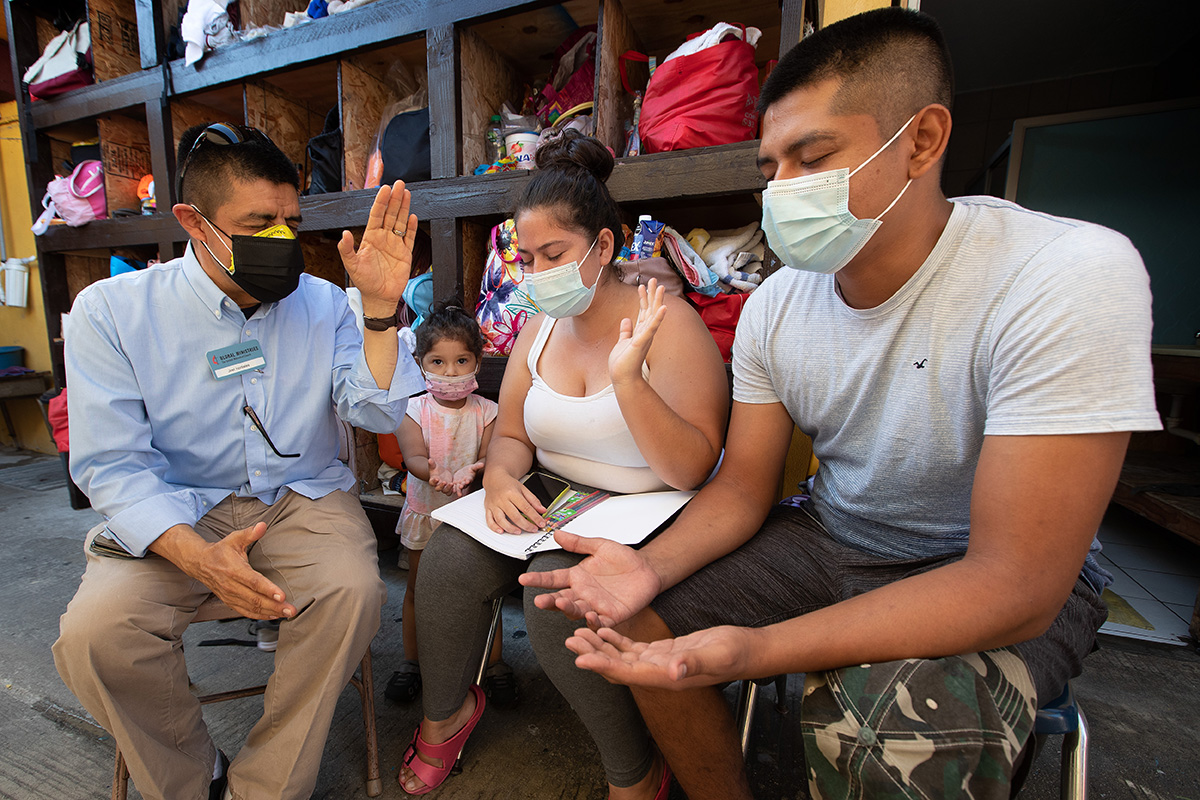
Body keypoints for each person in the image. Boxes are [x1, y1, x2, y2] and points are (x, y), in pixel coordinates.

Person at [521, 9, 1162, 799]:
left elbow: (1016, 581)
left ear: (922, 141)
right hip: (833, 536)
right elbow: (744, 487)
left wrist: (755, 651)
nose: (784, 191)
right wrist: (645, 572)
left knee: (894, 729)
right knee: (613, 612)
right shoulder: (777, 307)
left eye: (813, 158)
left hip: (978, 566)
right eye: (770, 168)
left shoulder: (1066, 276)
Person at [52, 122, 426, 800]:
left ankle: (265, 788)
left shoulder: (324, 305)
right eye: (259, 223)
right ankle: (195, 783)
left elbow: (376, 413)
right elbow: (111, 464)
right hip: (178, 508)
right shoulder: (111, 312)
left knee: (350, 591)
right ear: (195, 222)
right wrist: (198, 557)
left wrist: (378, 311)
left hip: (300, 499)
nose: (281, 240)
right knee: (96, 636)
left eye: (290, 221)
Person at [398, 129, 730, 797]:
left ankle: (634, 770)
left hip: (648, 505)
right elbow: (515, 433)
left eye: (555, 253)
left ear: (603, 246)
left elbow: (694, 467)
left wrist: (629, 381)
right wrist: (496, 476)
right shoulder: (537, 327)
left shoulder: (668, 325)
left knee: (555, 592)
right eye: (527, 257)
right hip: (557, 494)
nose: (537, 272)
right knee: (447, 561)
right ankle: (447, 717)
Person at [385, 302, 502, 704]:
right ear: (420, 363)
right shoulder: (413, 410)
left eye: (460, 360)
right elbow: (413, 456)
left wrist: (476, 470)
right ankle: (413, 663)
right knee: (418, 589)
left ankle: (496, 664)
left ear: (477, 361)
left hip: (471, 517)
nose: (450, 372)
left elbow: (491, 456)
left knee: (487, 590)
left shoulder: (488, 412)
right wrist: (429, 472)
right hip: (427, 513)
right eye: (437, 361)